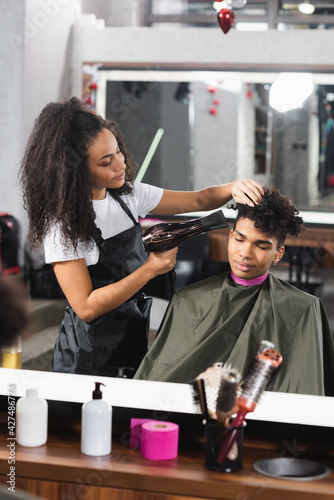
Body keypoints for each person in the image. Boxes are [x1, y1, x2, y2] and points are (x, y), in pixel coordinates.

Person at [19, 96, 263, 378]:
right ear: (75, 172)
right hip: (87, 355)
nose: (120, 165)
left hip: (132, 335)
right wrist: (150, 270)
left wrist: (233, 187)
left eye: (119, 152)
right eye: (106, 162)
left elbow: (198, 200)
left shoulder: (128, 196)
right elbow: (86, 307)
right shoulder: (64, 226)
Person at [134, 187, 334, 396]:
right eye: (239, 239)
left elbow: (303, 392)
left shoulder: (303, 309)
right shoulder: (186, 300)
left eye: (261, 246)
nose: (245, 253)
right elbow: (159, 380)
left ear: (278, 254)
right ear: (230, 237)